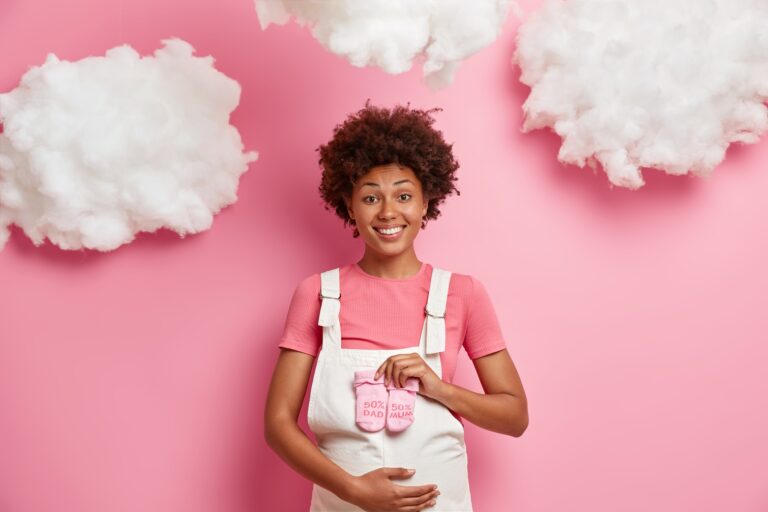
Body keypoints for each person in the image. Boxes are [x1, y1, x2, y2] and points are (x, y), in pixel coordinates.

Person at [264, 102, 528, 512]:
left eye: (404, 195)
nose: (388, 212)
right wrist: (353, 490)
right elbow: (278, 425)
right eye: (371, 197)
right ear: (349, 206)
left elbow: (514, 417)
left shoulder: (463, 293)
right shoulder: (318, 293)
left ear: (426, 203)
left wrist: (439, 389)